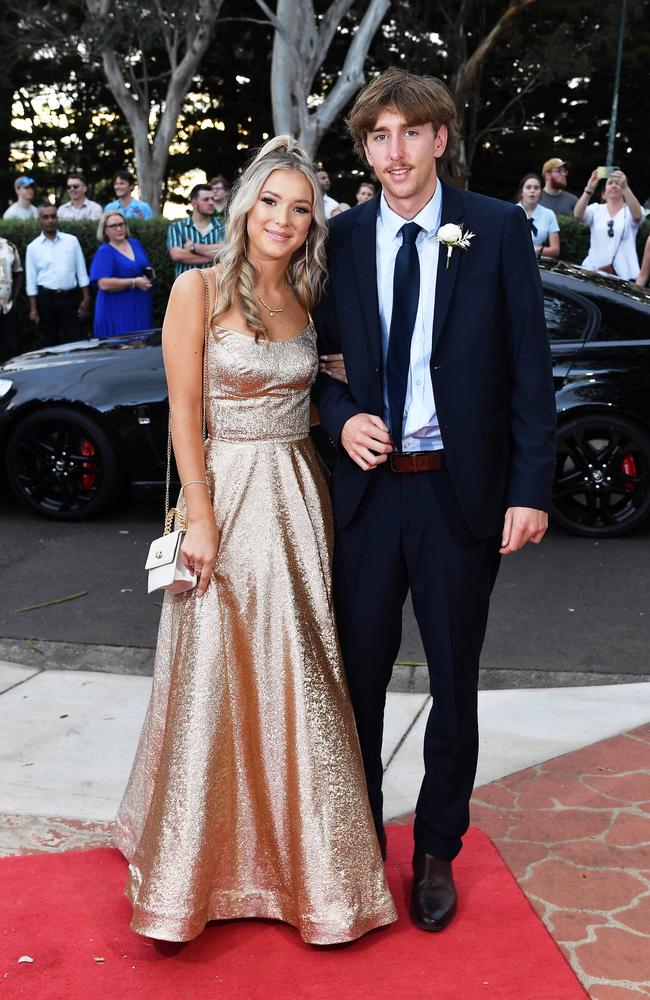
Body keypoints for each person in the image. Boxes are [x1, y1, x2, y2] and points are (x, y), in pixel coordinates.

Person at [114, 135, 397, 945]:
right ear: (245, 207)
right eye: (270, 201)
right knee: (214, 671)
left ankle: (308, 868)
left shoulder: (313, 297)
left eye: (300, 207)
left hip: (301, 498)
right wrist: (197, 513)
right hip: (227, 495)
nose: (283, 218)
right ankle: (188, 872)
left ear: (315, 224)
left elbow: (316, 400)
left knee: (300, 674)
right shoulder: (197, 290)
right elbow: (181, 412)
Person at [313, 67, 556, 933]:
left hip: (462, 500)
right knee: (359, 687)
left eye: (409, 132)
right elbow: (314, 366)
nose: (394, 152)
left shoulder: (493, 228)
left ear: (439, 139)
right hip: (371, 502)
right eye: (377, 137)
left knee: (454, 683)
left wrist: (530, 488)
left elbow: (531, 366)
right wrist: (341, 419)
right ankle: (361, 842)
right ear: (367, 151)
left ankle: (437, 851)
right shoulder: (339, 239)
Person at [25, 205, 90, 346]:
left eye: (53, 216)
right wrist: (33, 309)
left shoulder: (72, 241)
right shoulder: (33, 247)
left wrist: (86, 298)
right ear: (39, 220)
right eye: (46, 217)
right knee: (49, 343)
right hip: (46, 300)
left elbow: (82, 272)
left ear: (58, 218)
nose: (50, 220)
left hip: (71, 298)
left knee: (76, 341)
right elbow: (31, 281)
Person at [89, 211, 153, 338]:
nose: (119, 229)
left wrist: (148, 275)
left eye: (121, 224)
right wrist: (134, 282)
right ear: (105, 230)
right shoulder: (104, 251)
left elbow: (143, 266)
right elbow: (104, 284)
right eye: (113, 226)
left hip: (139, 304)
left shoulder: (134, 243)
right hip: (116, 308)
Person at [574, 168, 643, 280]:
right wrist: (589, 188)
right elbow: (577, 214)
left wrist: (625, 186)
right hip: (593, 271)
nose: (614, 185)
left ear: (624, 191)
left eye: (618, 184)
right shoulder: (595, 209)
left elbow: (637, 216)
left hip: (625, 275)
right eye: (610, 183)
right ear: (603, 194)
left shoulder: (631, 210)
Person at [166, 184, 225, 277]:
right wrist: (214, 257)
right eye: (206, 199)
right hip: (185, 287)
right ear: (194, 203)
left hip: (216, 287)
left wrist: (193, 247)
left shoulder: (223, 227)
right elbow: (177, 255)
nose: (211, 202)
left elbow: (227, 251)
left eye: (212, 199)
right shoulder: (177, 227)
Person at [516, 173, 560, 259]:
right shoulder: (512, 212)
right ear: (521, 192)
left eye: (536, 188)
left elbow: (555, 250)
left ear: (540, 192)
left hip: (538, 262)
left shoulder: (549, 214)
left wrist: (534, 249)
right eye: (528, 187)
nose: (532, 191)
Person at [0, 236, 23, 361]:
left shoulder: (9, 246)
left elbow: (18, 272)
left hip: (7, 309)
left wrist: (15, 298)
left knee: (13, 350)